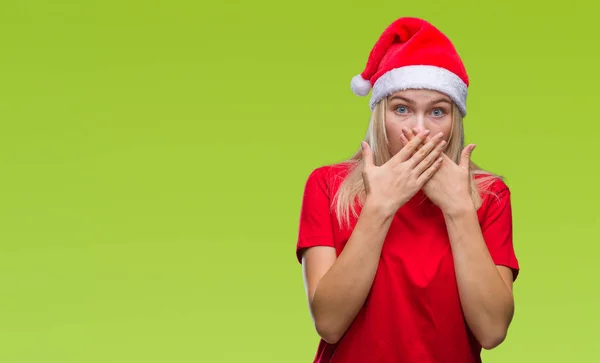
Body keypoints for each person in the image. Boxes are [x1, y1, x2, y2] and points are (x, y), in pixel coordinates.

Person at [295, 17, 520, 363]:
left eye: (437, 112)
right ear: (380, 114)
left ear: (454, 120)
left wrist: (459, 210)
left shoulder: (488, 195)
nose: (419, 129)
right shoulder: (328, 186)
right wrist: (380, 206)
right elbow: (329, 322)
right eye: (402, 109)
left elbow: (492, 331)